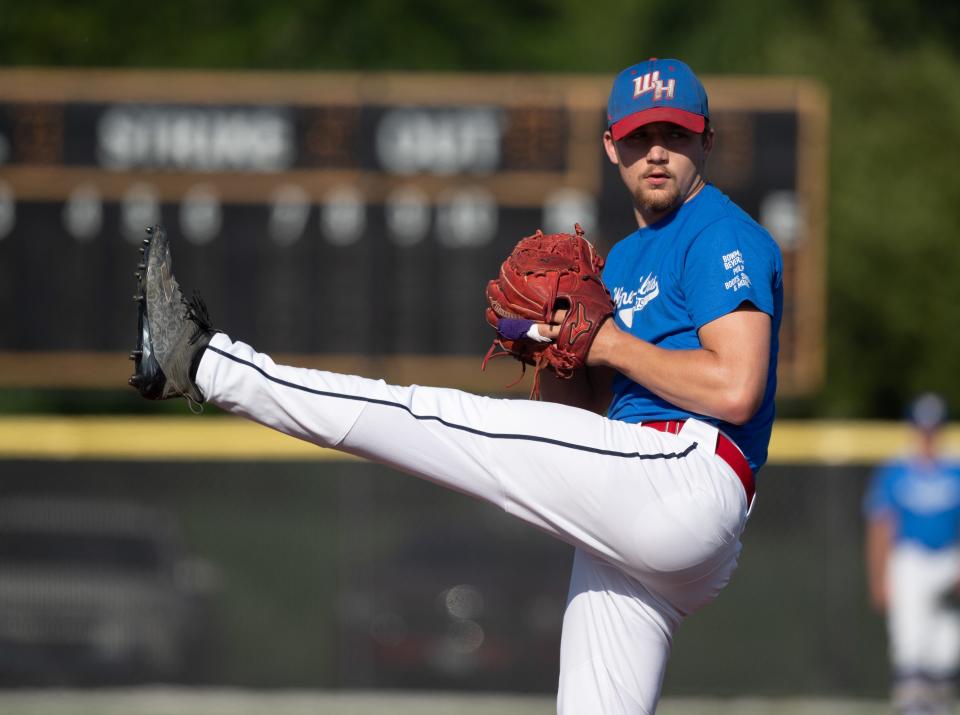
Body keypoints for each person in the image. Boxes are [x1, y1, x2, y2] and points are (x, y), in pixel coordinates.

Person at [129, 58, 782, 714]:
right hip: (634, 502)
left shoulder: (723, 233)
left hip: (689, 478)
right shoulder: (626, 259)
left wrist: (605, 340)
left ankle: (207, 364)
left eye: (676, 134)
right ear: (612, 147)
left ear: (707, 140)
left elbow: (735, 387)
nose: (657, 152)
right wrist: (556, 353)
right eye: (640, 136)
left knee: (427, 415)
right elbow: (581, 419)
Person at [865, 393, 960, 715]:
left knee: (946, 647)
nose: (928, 436)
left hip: (949, 559)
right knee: (910, 643)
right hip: (910, 561)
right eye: (923, 428)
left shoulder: (955, 470)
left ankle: (939, 706)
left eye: (933, 428)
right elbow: (881, 527)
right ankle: (913, 709)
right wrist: (879, 578)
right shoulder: (896, 471)